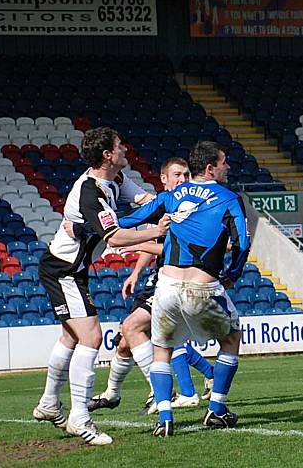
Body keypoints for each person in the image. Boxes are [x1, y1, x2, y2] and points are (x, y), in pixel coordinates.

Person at [32, 127, 170, 446]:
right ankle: (80, 418)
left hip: (70, 269)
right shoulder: (91, 192)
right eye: (120, 146)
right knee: (91, 336)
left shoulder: (115, 180)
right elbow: (115, 237)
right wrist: (154, 232)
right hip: (64, 270)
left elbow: (145, 200)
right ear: (107, 155)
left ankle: (49, 404)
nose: (125, 149)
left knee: (71, 336)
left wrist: (179, 206)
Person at [116, 141, 250, 437]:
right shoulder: (228, 198)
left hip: (165, 286)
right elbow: (242, 242)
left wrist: (94, 227)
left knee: (162, 347)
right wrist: (234, 275)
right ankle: (216, 410)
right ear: (210, 168)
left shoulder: (171, 196)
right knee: (232, 337)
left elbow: (132, 220)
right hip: (201, 287)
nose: (228, 166)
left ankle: (165, 417)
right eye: (224, 162)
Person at [86, 157, 214, 414]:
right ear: (163, 179)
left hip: (178, 282)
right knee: (127, 340)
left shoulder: (189, 210)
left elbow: (165, 247)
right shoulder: (162, 205)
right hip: (157, 280)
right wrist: (135, 272)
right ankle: (113, 393)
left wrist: (133, 244)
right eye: (178, 174)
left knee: (144, 331)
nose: (183, 180)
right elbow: (154, 238)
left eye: (187, 175)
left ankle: (173, 393)